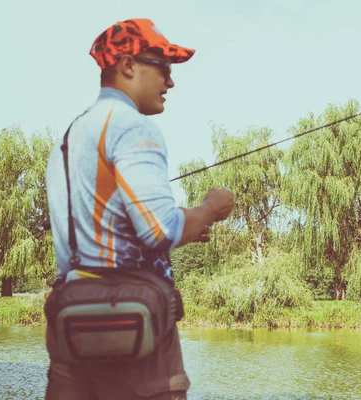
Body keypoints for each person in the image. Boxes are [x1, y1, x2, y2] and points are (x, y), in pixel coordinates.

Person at [44, 18, 235, 399]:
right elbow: (159, 230)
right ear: (128, 65)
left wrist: (190, 225)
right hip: (131, 326)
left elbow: (107, 235)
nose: (171, 81)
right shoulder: (132, 127)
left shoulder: (68, 138)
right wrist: (211, 208)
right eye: (163, 67)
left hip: (70, 327)